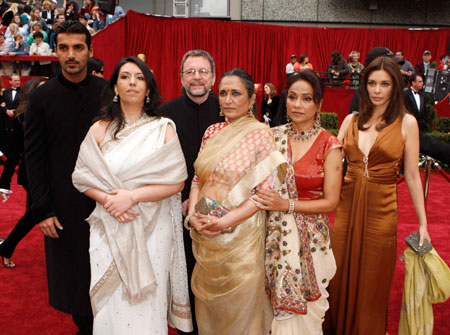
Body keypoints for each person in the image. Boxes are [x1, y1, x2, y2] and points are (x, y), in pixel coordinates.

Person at [72, 56, 193, 334]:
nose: (132, 83)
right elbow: (81, 177)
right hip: (109, 224)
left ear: (148, 89)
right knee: (110, 303)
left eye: (139, 78)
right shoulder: (99, 129)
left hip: (153, 228)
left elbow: (177, 181)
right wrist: (109, 200)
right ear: (115, 86)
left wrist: (132, 196)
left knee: (148, 304)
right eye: (125, 77)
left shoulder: (163, 128)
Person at [325, 56, 430, 334]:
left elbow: (411, 175)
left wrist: (423, 224)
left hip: (382, 212)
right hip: (346, 210)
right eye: (372, 83)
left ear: (395, 86)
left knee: (373, 281)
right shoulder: (350, 120)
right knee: (336, 275)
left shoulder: (407, 123)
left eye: (385, 83)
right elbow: (330, 169)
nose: (377, 90)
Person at [186, 68, 286, 335]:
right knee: (209, 307)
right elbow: (198, 180)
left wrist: (225, 223)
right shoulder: (212, 131)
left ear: (251, 99)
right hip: (206, 230)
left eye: (236, 93)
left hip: (241, 236)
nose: (228, 99)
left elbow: (262, 195)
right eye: (223, 93)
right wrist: (194, 217)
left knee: (240, 307)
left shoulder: (261, 134)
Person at [24, 20, 108, 335]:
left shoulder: (107, 93)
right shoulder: (41, 98)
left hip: (108, 203)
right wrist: (42, 209)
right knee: (74, 282)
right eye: (63, 48)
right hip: (62, 209)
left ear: (90, 51)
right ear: (55, 51)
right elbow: (33, 156)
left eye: (77, 47)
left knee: (108, 276)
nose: (70, 55)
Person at [253, 70, 342, 334]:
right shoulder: (272, 137)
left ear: (318, 105)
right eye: (292, 97)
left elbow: (330, 202)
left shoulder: (330, 145)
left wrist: (287, 205)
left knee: (308, 318)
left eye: (306, 99)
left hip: (311, 244)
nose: (297, 105)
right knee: (269, 311)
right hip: (273, 239)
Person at [159, 49, 223, 335]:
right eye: (190, 72)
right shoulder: (165, 114)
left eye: (202, 71)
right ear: (181, 77)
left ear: (213, 76)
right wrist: (181, 199)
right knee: (184, 273)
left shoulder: (229, 109)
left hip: (222, 209)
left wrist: (203, 203)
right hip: (175, 207)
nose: (196, 77)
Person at [0, 78, 46, 268]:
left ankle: (6, 248)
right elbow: (13, 154)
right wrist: (4, 182)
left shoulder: (52, 113)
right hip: (33, 175)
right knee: (35, 214)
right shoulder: (22, 118)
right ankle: (7, 247)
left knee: (34, 214)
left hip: (49, 173)